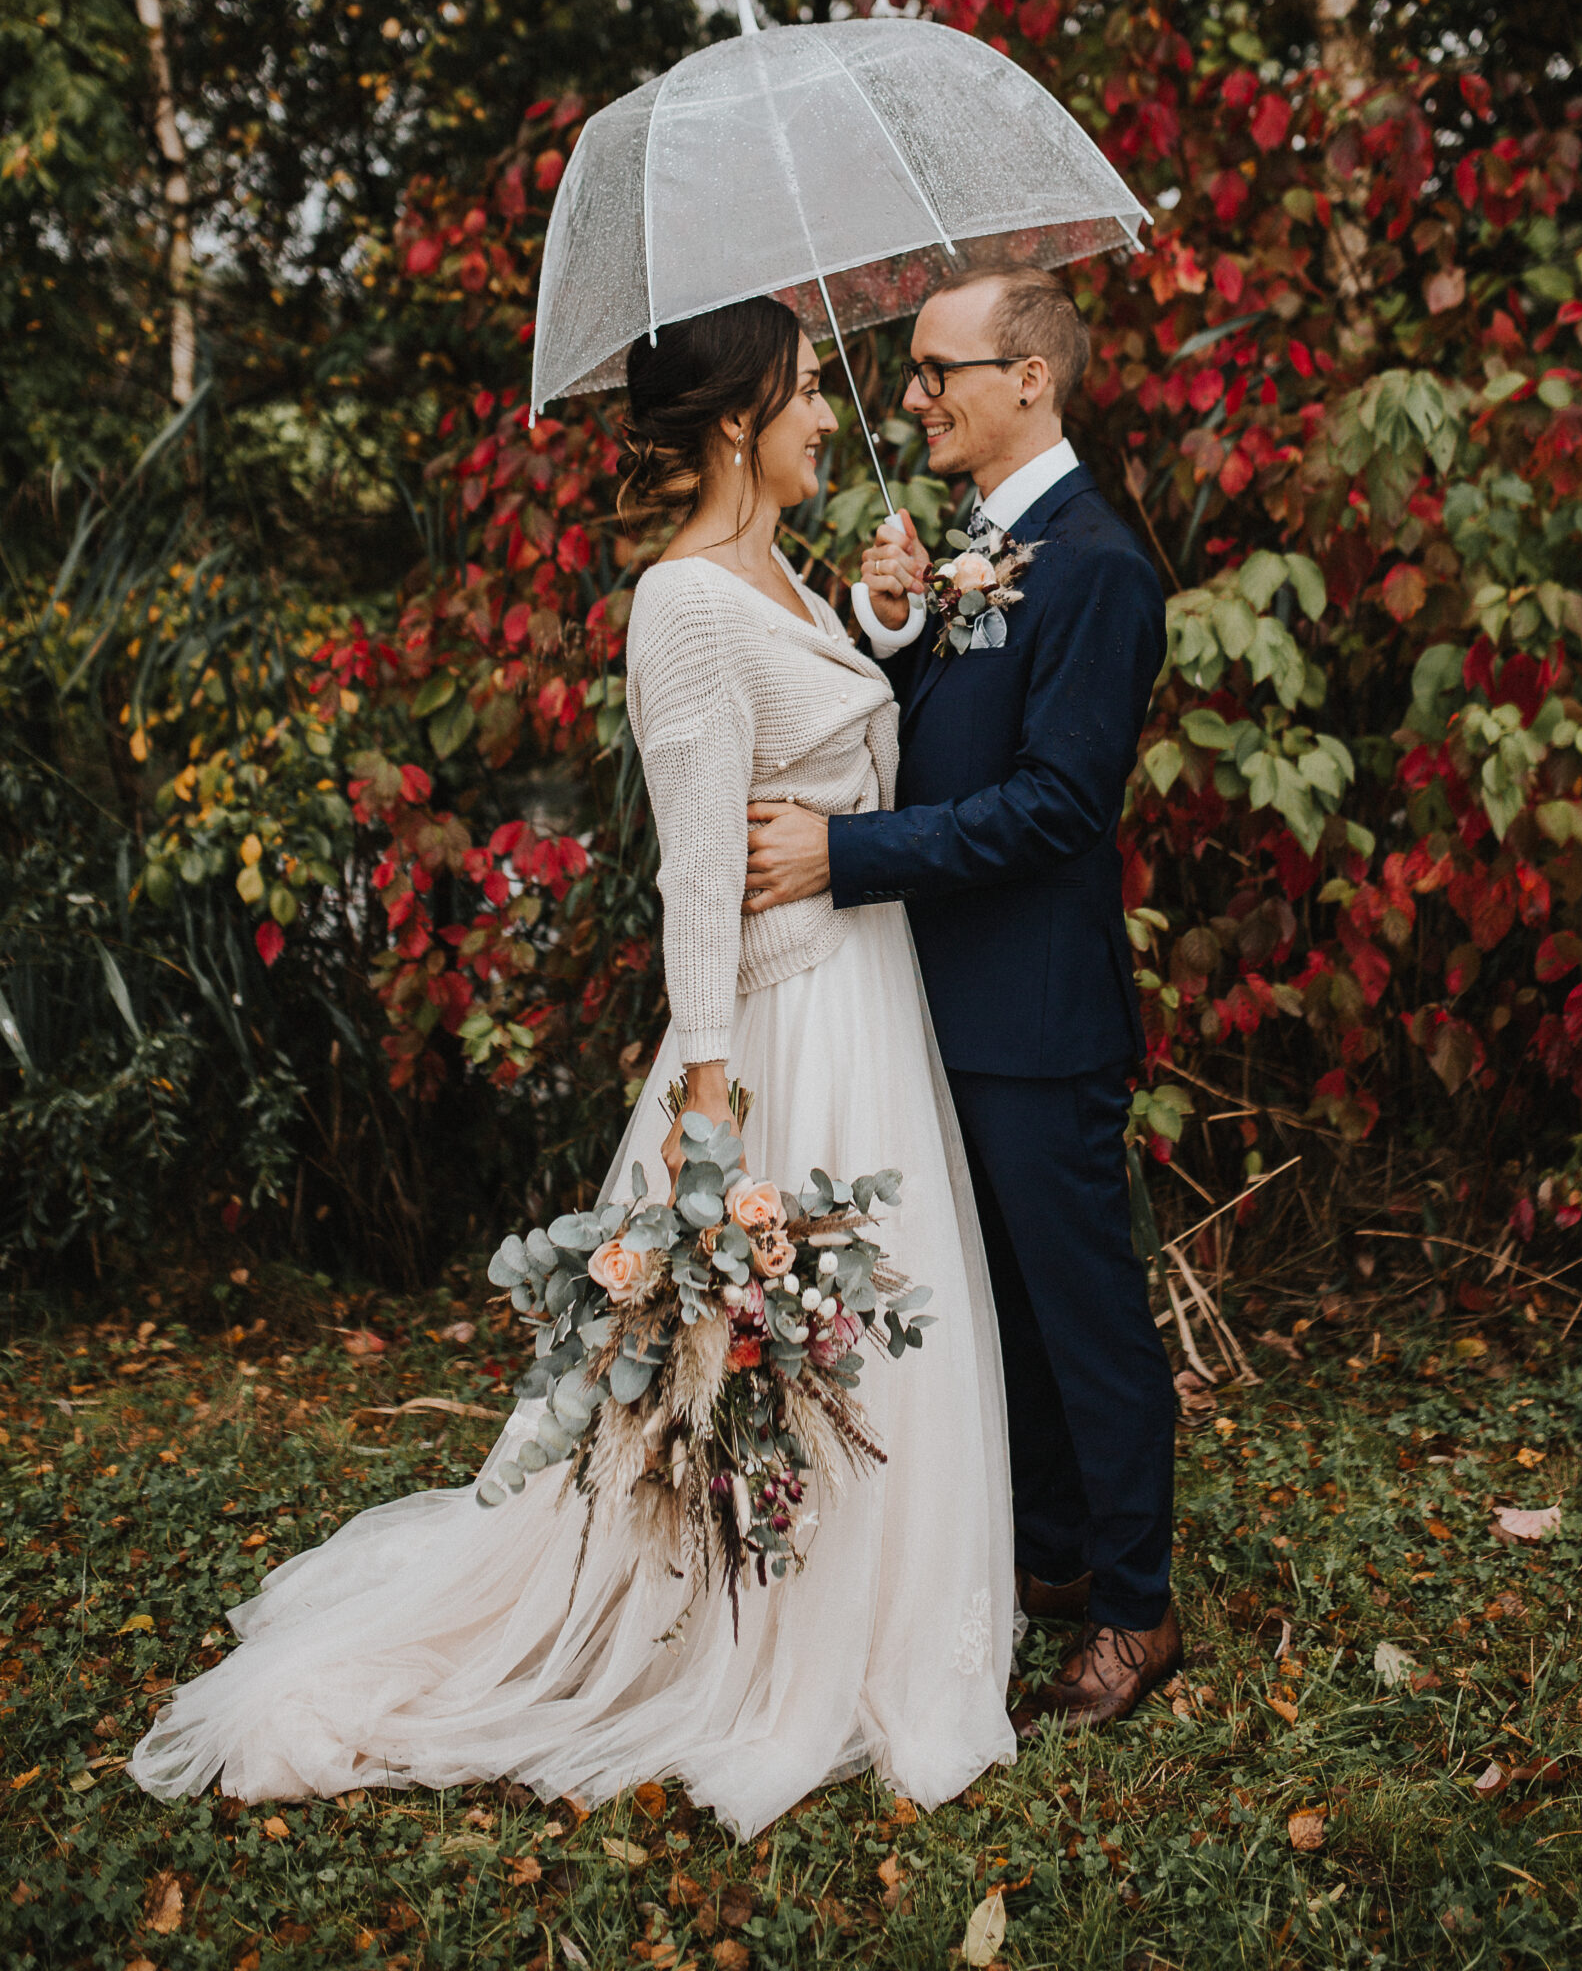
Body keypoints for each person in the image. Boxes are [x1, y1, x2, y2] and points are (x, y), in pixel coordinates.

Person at [129, 297, 1015, 1838]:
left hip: (871, 1006)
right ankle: (751, 1640)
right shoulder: (681, 606)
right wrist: (712, 1113)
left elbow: (833, 747)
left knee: (879, 1356)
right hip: (784, 1033)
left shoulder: (779, 577)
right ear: (740, 419)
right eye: (811, 393)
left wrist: (878, 620)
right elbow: (695, 879)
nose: (832, 415)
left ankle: (881, 1618)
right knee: (781, 1358)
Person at [743, 263, 1181, 1731]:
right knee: (1005, 1307)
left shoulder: (1099, 567)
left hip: (1041, 1015)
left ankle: (1135, 1611)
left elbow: (1056, 806)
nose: (913, 394)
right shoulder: (983, 548)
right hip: (951, 1006)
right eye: (913, 375)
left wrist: (840, 856)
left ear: (1030, 380)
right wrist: (892, 622)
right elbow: (942, 733)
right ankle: (1054, 1554)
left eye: (938, 370)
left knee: (1085, 1314)